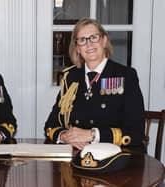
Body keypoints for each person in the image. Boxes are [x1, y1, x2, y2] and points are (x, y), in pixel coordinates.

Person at [44, 18, 145, 151]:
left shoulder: (125, 75)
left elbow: (136, 132)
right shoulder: (71, 77)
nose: (88, 44)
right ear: (77, 48)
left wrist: (91, 135)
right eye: (82, 40)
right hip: (77, 155)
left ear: (104, 41)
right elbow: (51, 124)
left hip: (115, 157)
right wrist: (65, 136)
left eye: (94, 37)